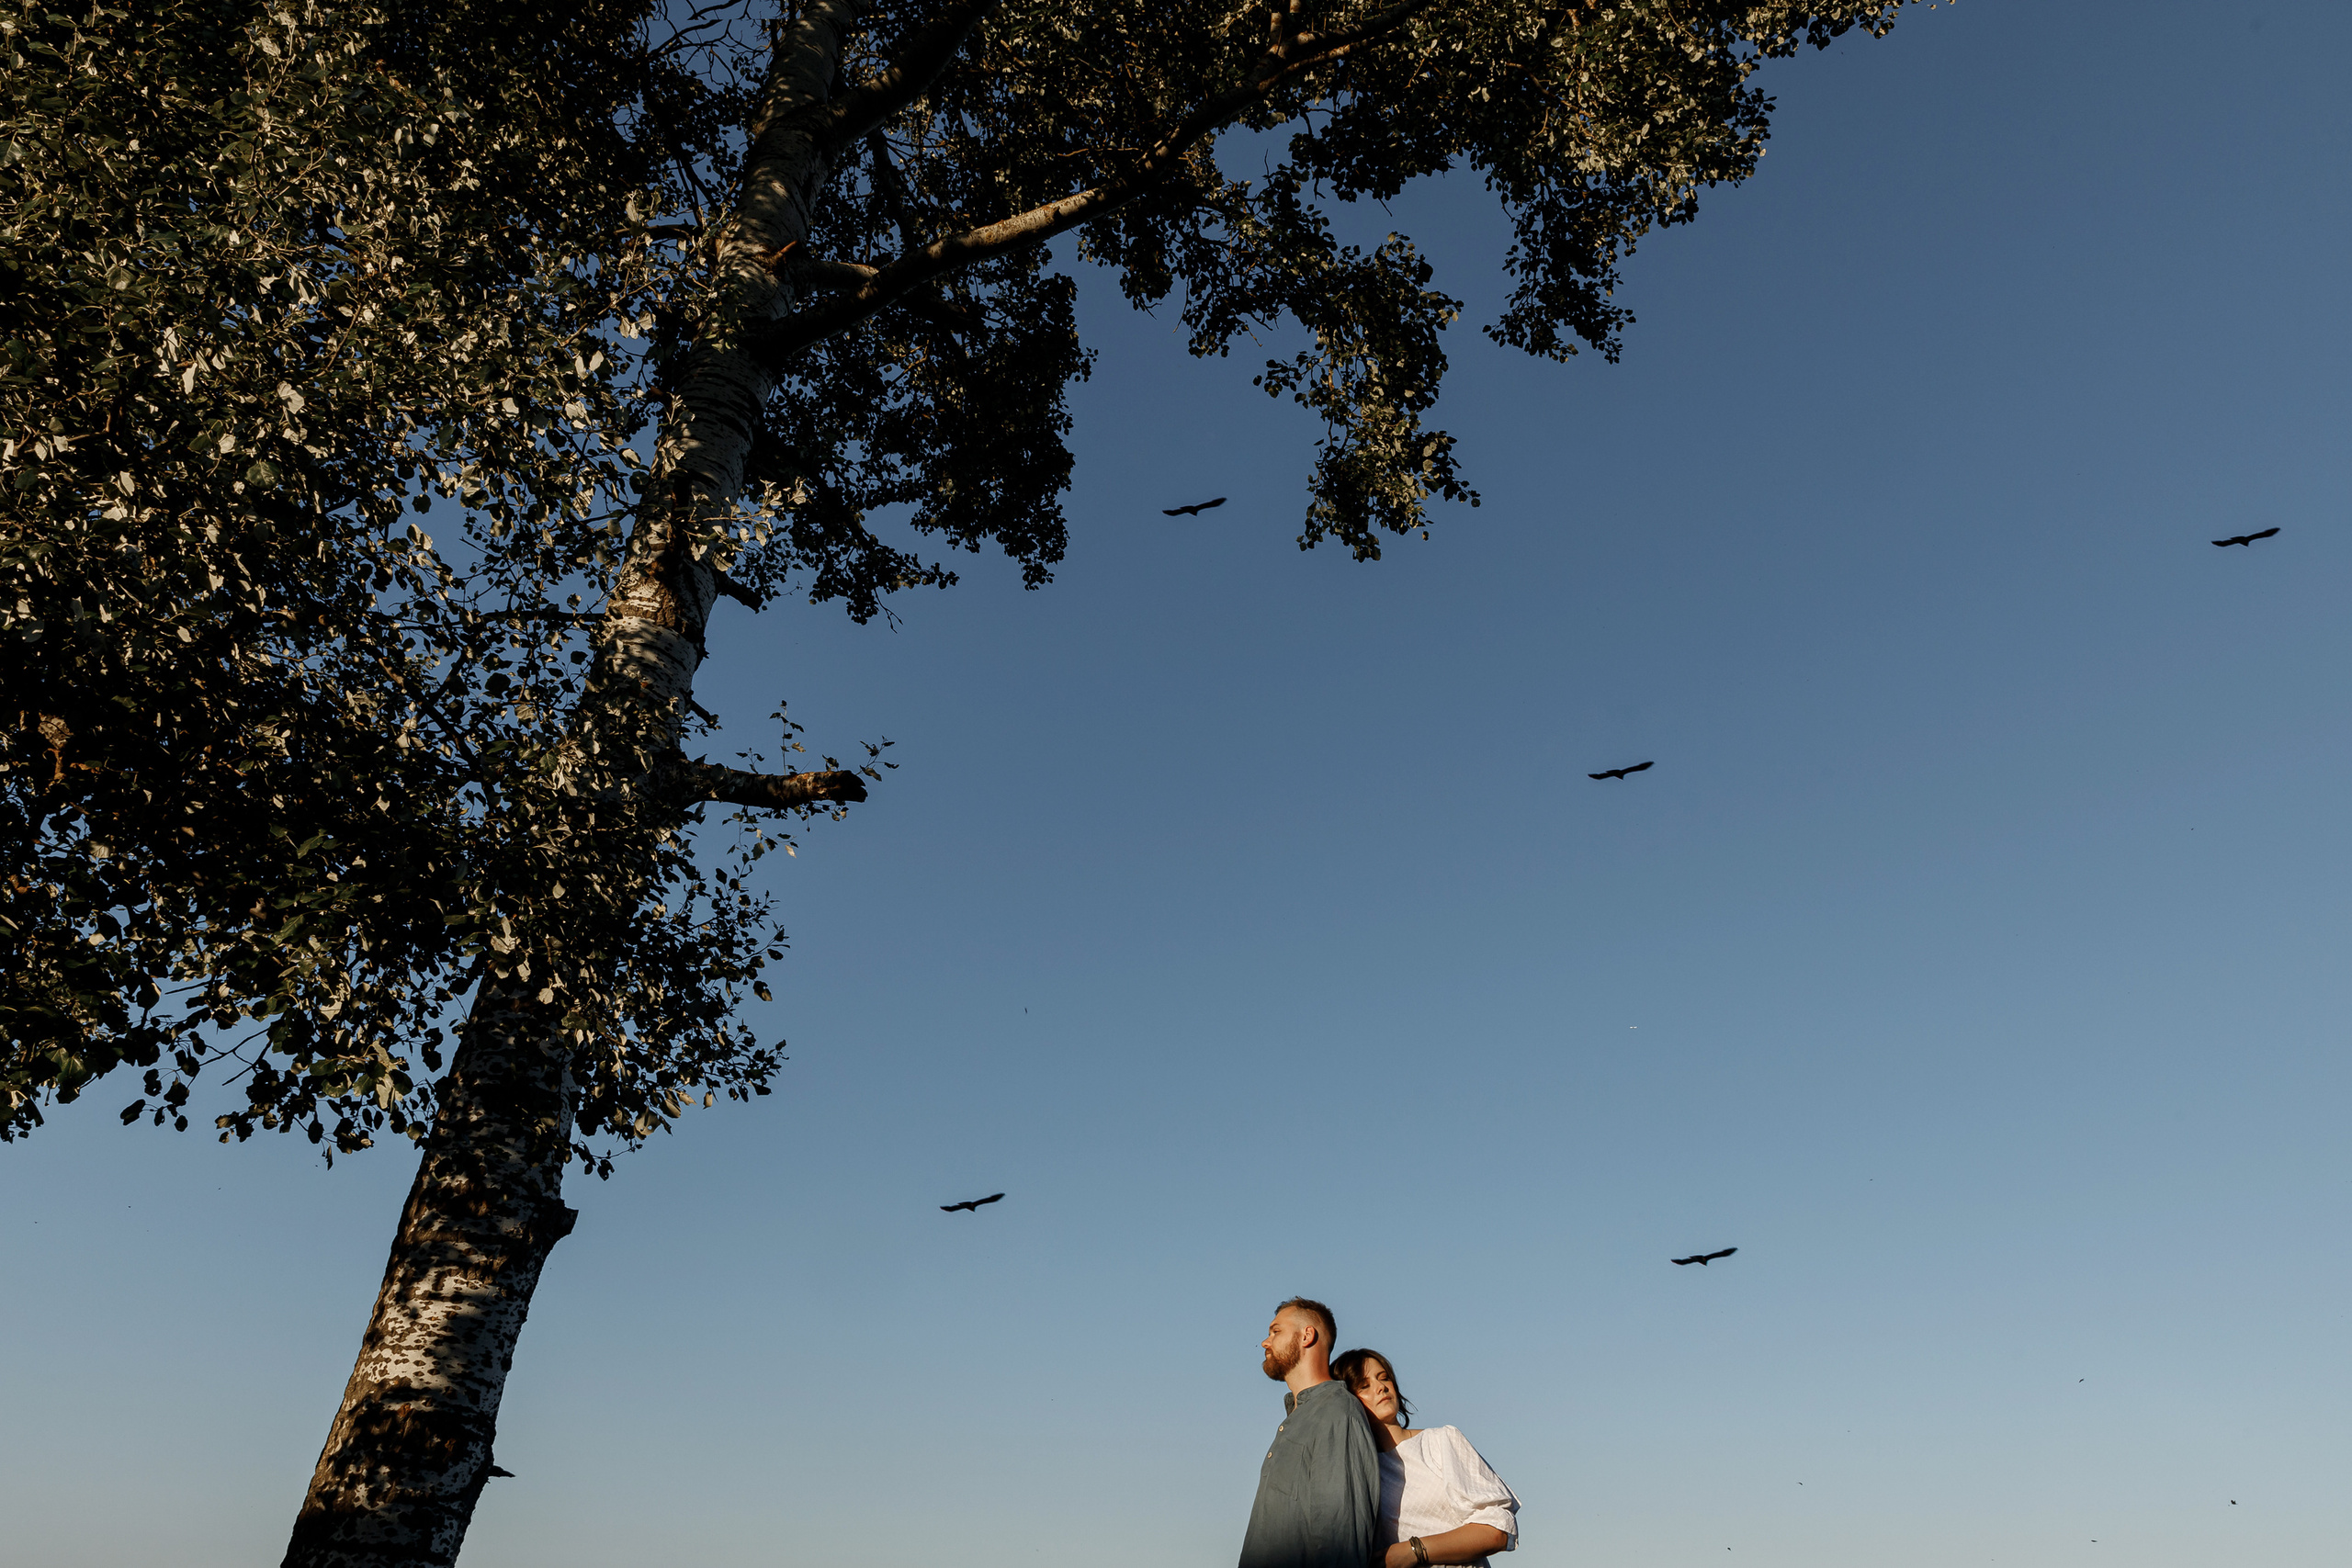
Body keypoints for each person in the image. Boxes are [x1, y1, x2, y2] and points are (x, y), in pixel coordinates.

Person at [1331, 1348, 1521, 1568]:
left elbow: (1495, 1531)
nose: (1381, 1387)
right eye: (1364, 1386)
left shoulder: (1440, 1441)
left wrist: (1412, 1550)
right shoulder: (1355, 1473)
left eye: (1384, 1378)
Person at [1238, 1297, 1381, 1568]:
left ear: (1307, 1335)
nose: (1265, 1342)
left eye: (1275, 1331)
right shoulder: (1297, 1417)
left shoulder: (1337, 1411)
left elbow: (1341, 1538)